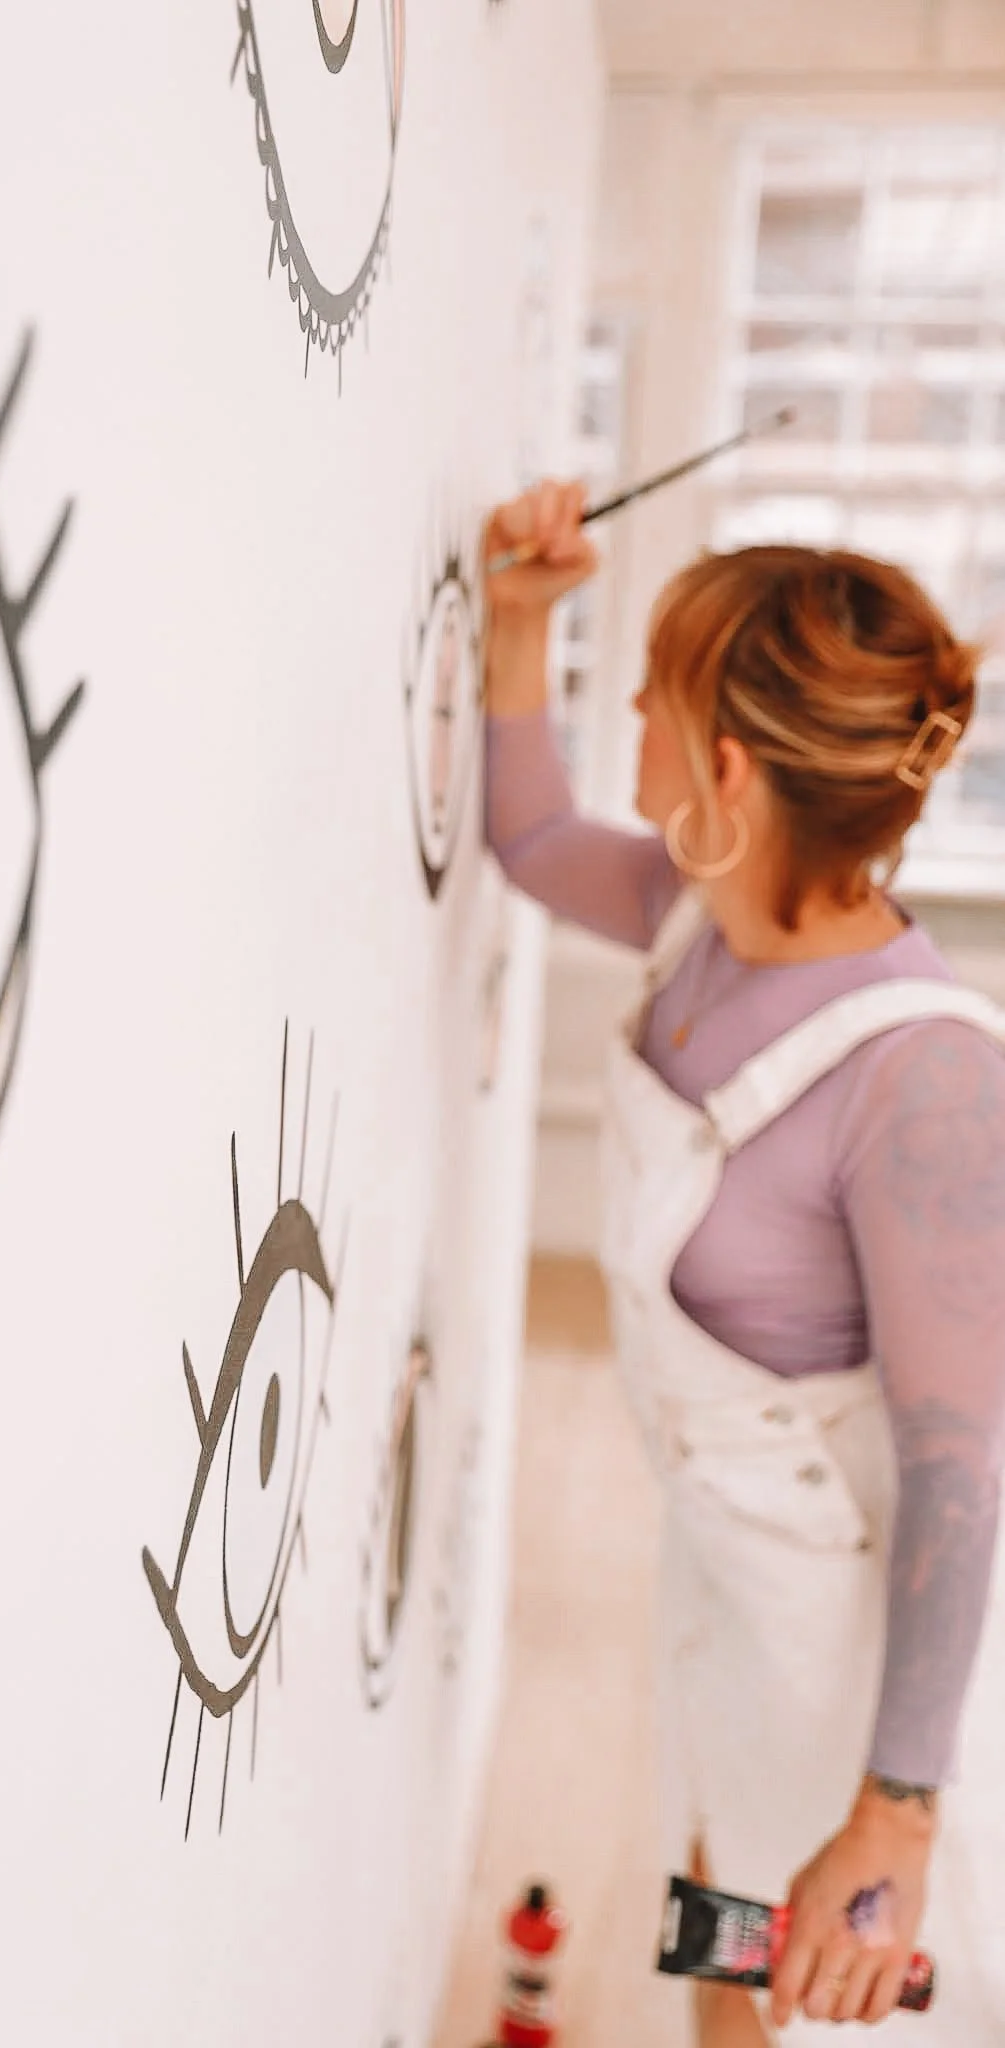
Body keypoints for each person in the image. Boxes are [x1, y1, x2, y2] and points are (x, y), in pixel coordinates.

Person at [482, 479, 1005, 2044]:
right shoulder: (694, 915)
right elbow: (527, 836)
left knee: (843, 2012)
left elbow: (964, 1473)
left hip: (876, 1675)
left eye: (653, 691)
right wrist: (522, 621)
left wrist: (895, 1814)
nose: (631, 715)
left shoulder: (925, 1082)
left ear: (725, 769)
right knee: (727, 1949)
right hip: (734, 1587)